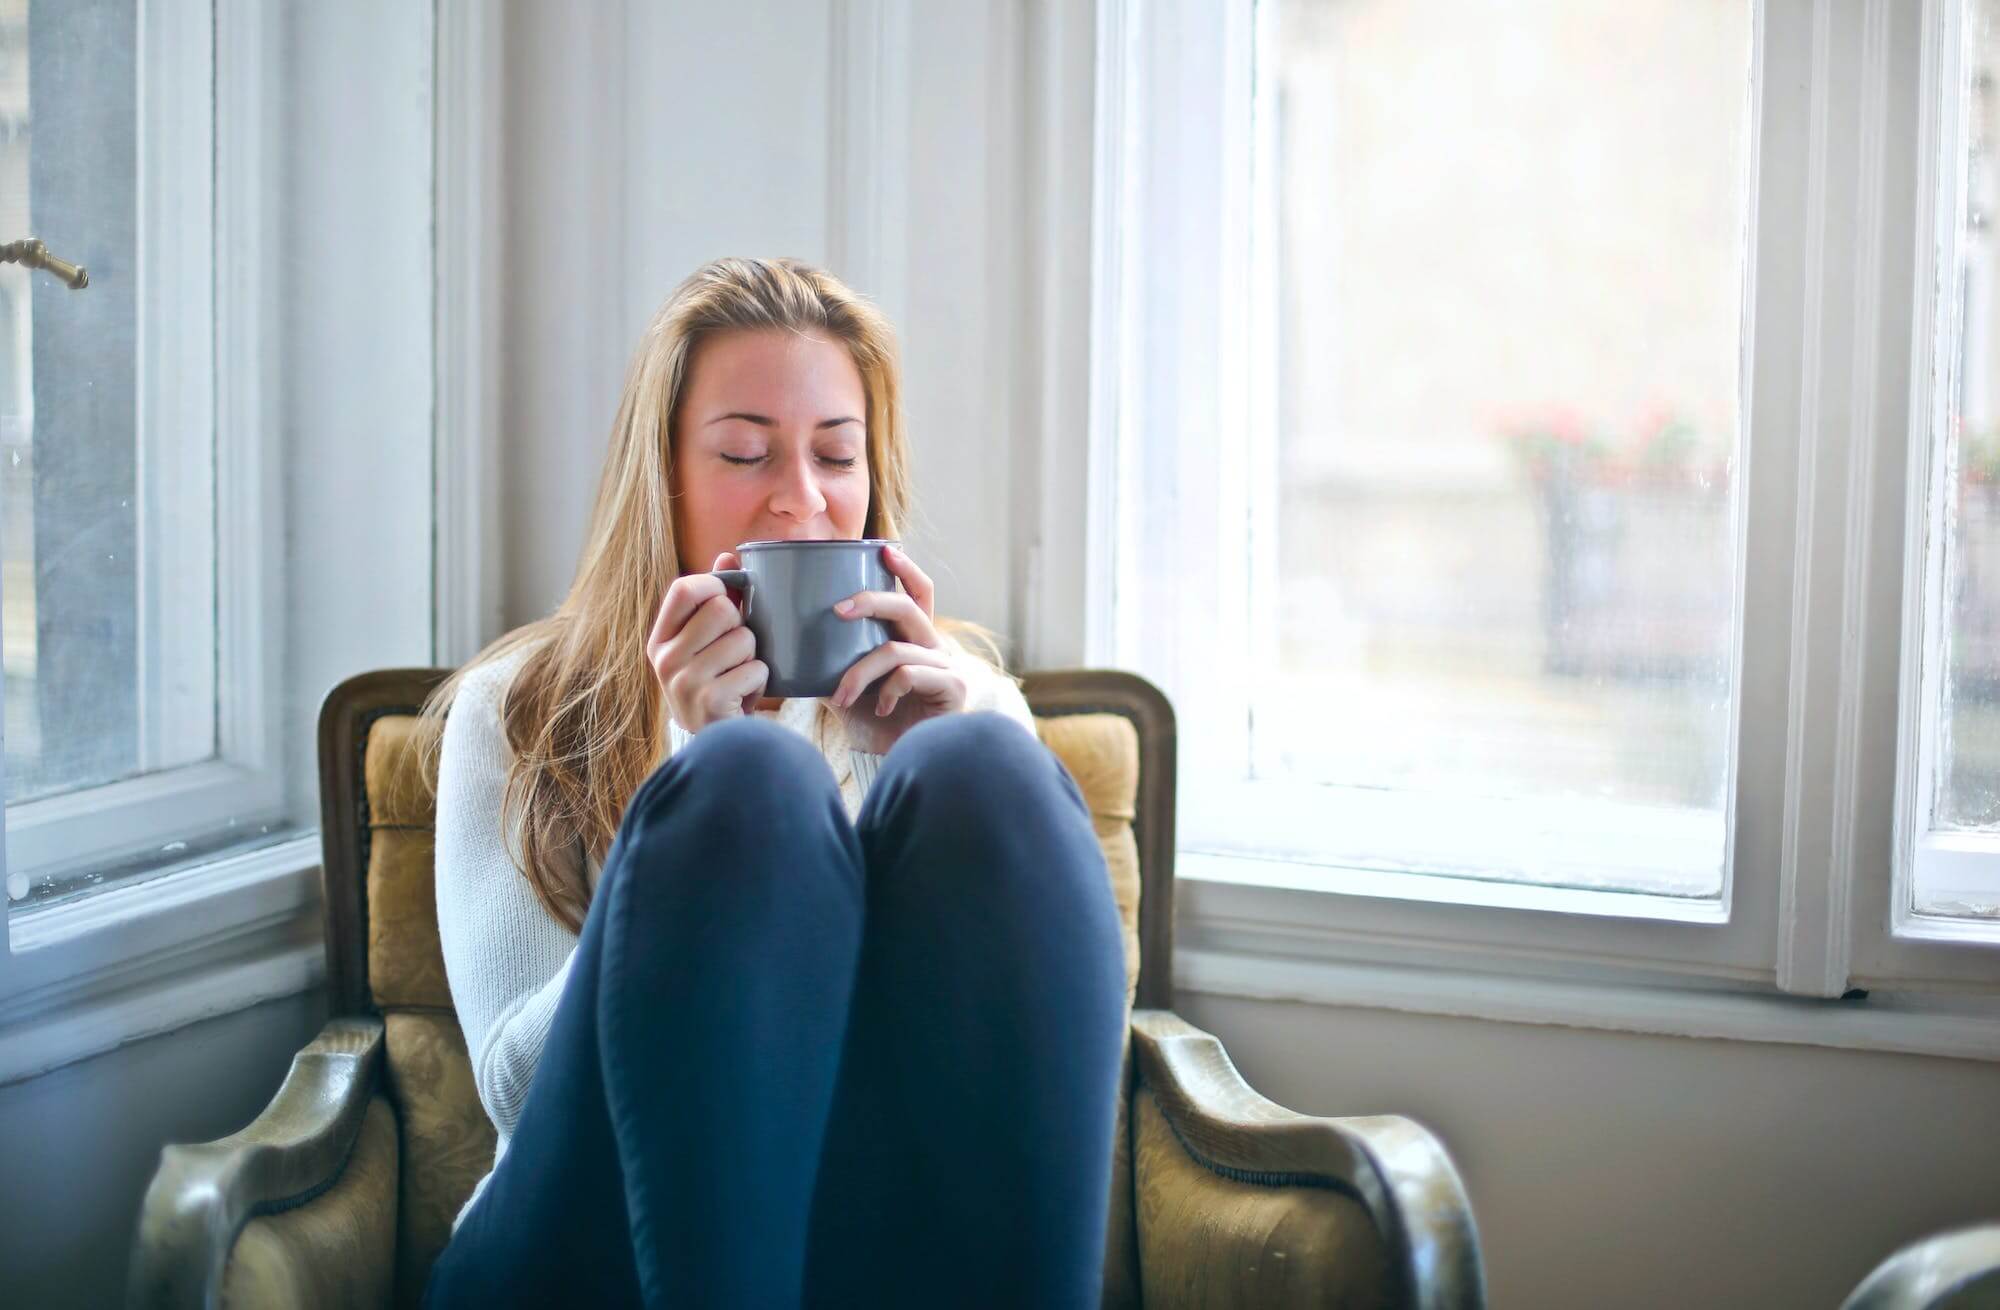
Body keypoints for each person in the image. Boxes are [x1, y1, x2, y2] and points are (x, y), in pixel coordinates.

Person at [417, 256, 1127, 1308]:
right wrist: (688, 768)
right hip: (577, 1237)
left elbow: (1052, 1079)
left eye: (836, 456)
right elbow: (518, 1091)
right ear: (660, 474)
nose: (801, 501)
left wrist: (904, 765)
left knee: (980, 763)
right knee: (748, 781)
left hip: (869, 1238)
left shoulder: (964, 702)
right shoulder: (516, 707)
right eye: (745, 453)